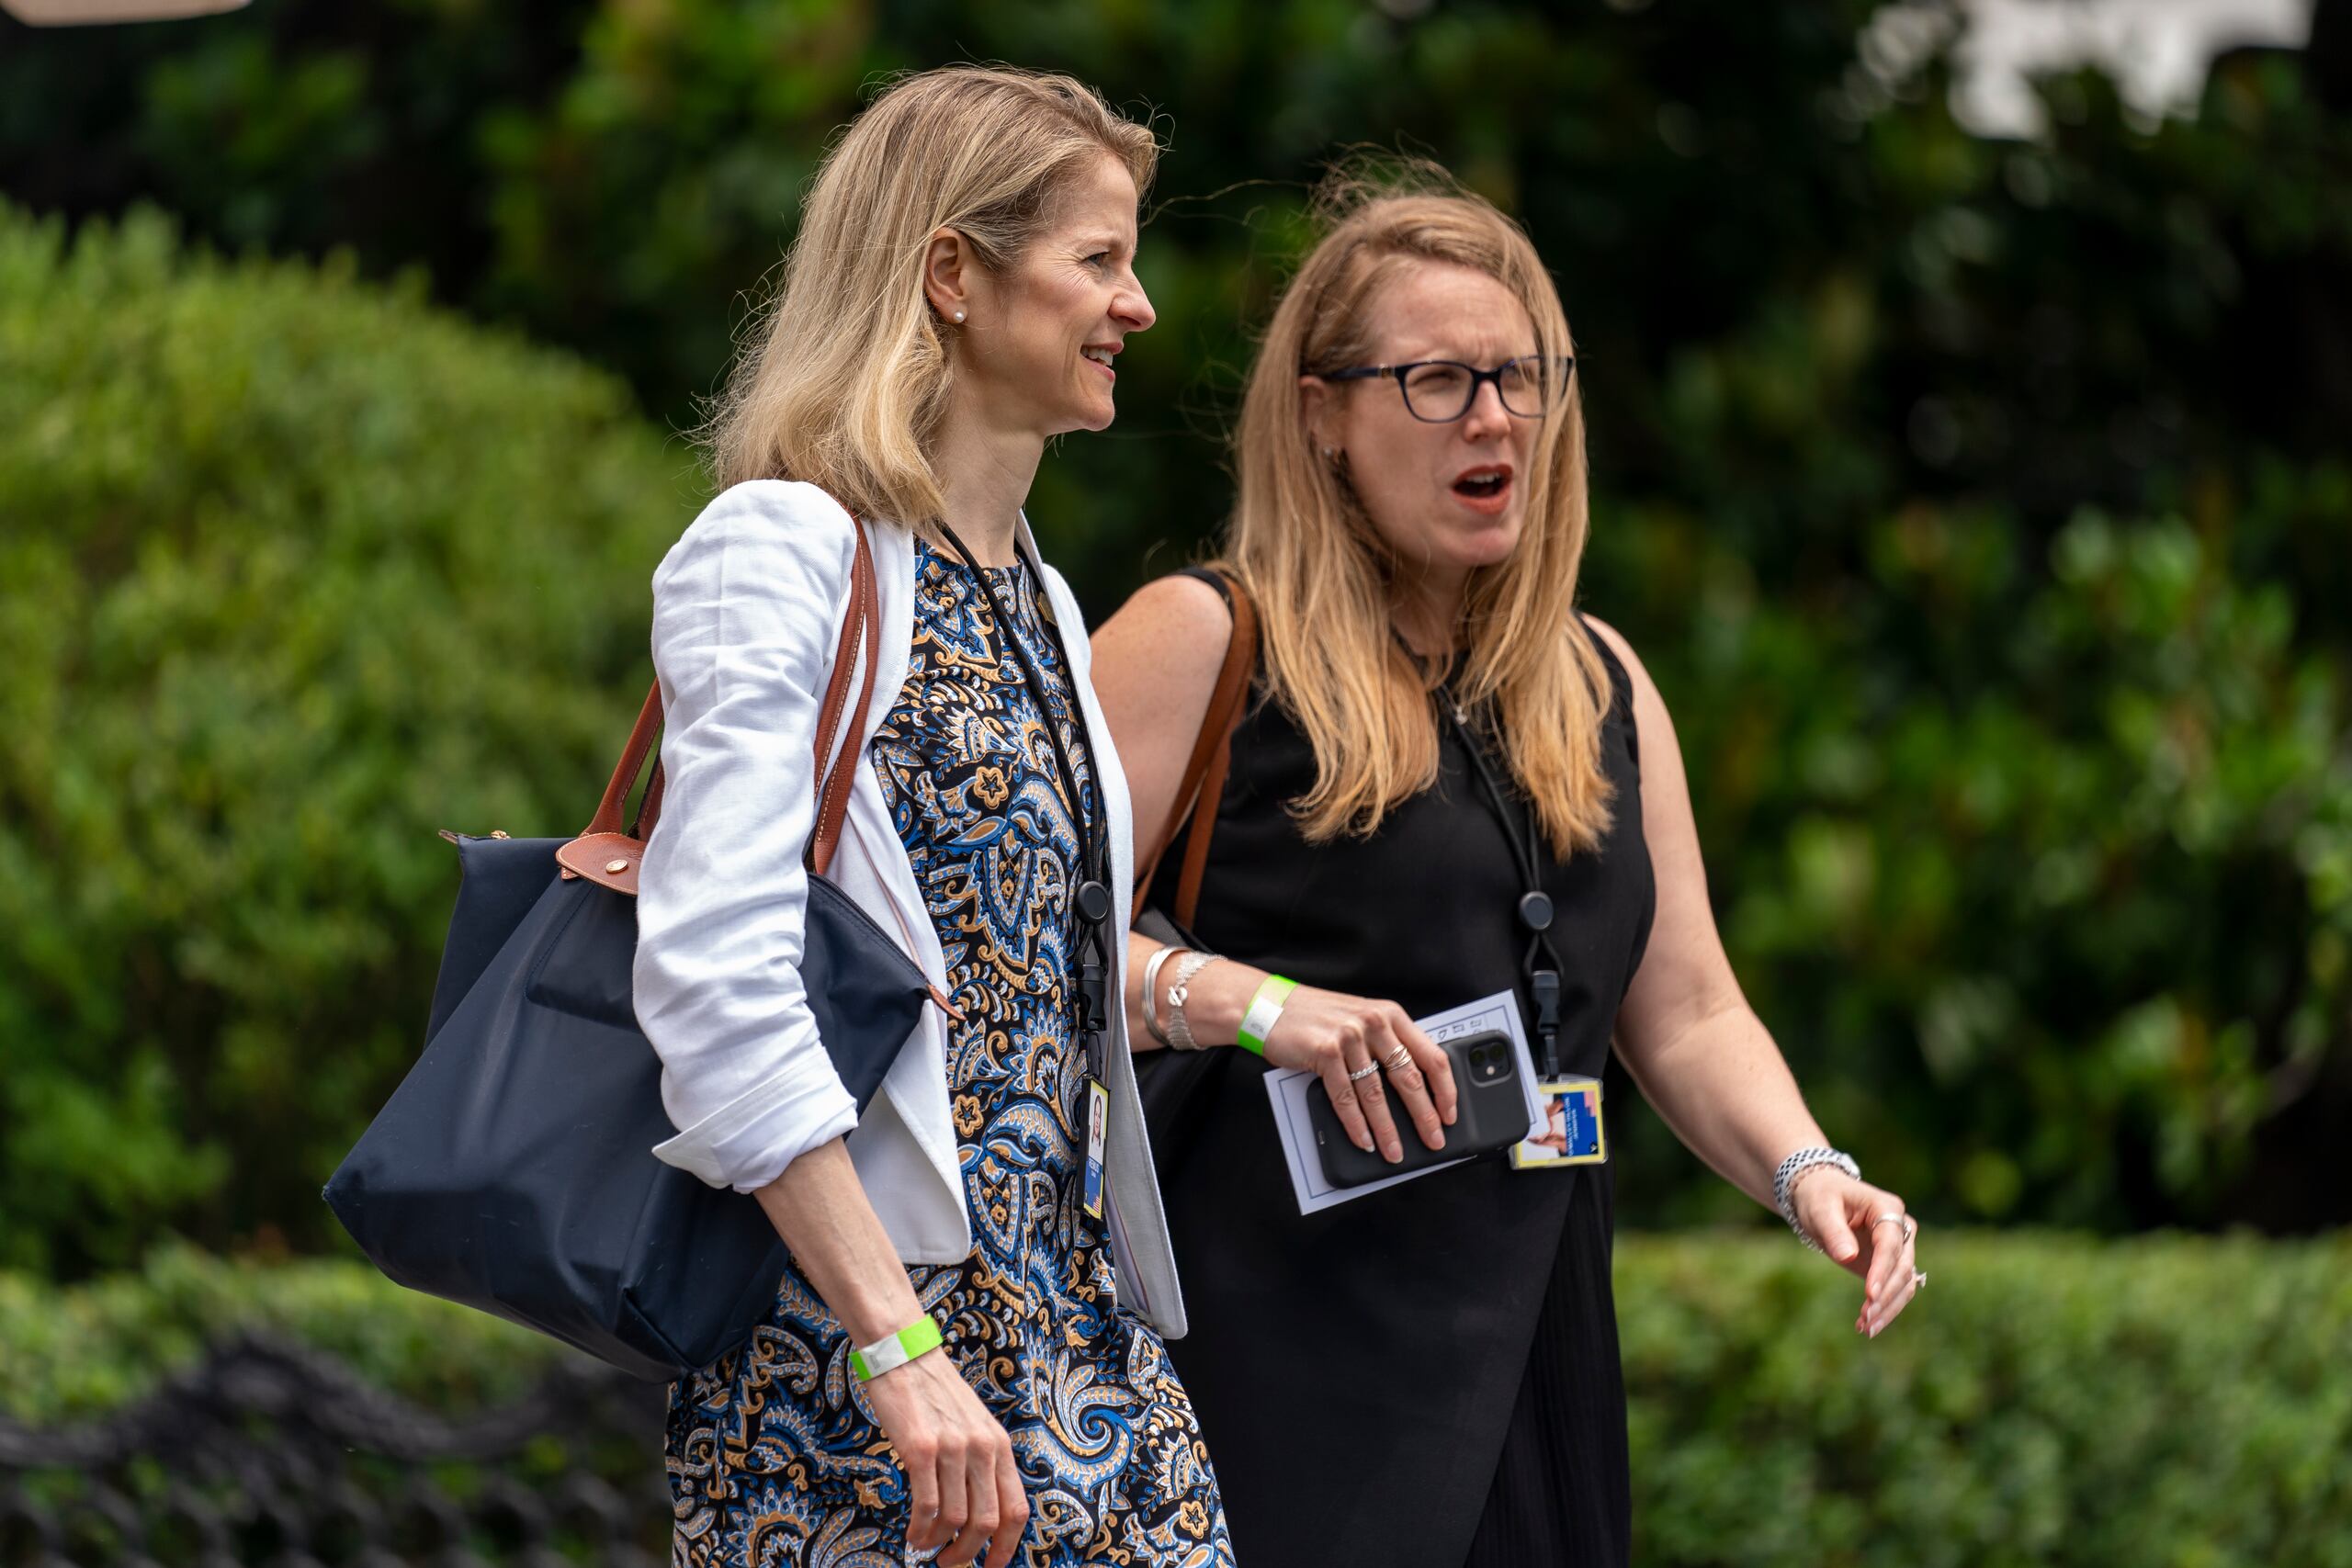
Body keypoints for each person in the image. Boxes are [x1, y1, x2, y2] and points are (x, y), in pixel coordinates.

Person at [1091, 171, 1924, 1568]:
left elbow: (1689, 1009)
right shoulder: (1202, 640)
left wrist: (1808, 1170)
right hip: (1272, 1339)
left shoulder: (1601, 681)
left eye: (1522, 379)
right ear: (1323, 415)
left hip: (1534, 1319)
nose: (1493, 417)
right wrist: (1248, 999)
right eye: (1436, 380)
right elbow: (1006, 954)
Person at [633, 66, 1232, 1568]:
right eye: (1100, 259)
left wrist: (1267, 1007)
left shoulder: (1037, 600)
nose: (1138, 304)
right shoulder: (782, 549)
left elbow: (1030, 980)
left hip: (1084, 1354)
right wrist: (902, 1354)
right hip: (857, 1382)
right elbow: (712, 982)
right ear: (951, 275)